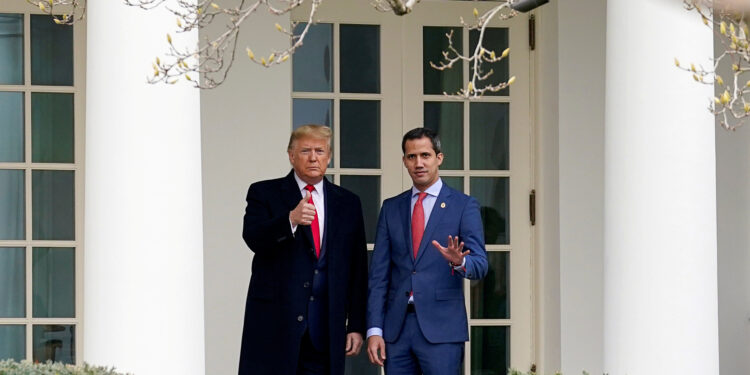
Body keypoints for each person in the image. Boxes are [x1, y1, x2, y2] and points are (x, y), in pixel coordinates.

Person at [239, 125, 368, 375]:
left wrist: (356, 325)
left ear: (328, 157)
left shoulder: (348, 202)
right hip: (276, 325)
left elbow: (357, 268)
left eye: (320, 151)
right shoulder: (264, 193)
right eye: (305, 150)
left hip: (326, 328)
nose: (313, 157)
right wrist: (290, 220)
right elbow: (253, 238)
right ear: (291, 155)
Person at [366, 127, 488, 374]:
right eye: (412, 157)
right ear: (404, 161)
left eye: (425, 155)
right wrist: (375, 330)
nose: (418, 163)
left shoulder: (463, 205)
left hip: (442, 329)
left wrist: (459, 262)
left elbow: (480, 265)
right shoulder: (391, 208)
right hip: (396, 330)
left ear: (439, 158)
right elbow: (379, 276)